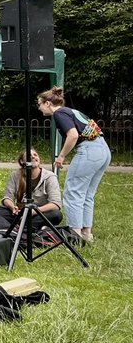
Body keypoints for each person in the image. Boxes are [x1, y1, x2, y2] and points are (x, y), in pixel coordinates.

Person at [37, 87, 111, 244]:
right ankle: (86, 233)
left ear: (48, 103)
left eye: (40, 104)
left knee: (73, 192)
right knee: (87, 194)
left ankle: (74, 235)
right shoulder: (71, 111)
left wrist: (61, 156)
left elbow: (73, 135)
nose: (39, 108)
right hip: (103, 150)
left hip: (89, 151)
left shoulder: (59, 113)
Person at [0, 148, 62, 225]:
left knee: (56, 215)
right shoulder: (15, 175)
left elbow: (55, 204)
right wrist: (12, 207)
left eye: (35, 155)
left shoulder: (50, 177)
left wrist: (35, 211)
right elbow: (7, 198)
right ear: (23, 161)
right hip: (19, 213)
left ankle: (20, 226)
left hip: (40, 214)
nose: (33, 157)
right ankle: (23, 225)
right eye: (28, 156)